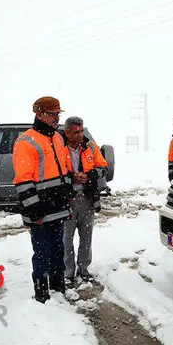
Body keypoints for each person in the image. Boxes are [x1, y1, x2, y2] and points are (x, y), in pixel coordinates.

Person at [12, 96, 74, 303]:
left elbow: (62, 170)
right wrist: (33, 207)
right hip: (39, 208)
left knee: (59, 248)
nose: (57, 118)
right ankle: (42, 293)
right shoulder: (25, 141)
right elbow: (23, 179)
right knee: (41, 252)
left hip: (57, 206)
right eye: (52, 114)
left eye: (58, 114)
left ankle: (58, 287)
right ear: (39, 114)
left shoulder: (57, 138)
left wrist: (68, 192)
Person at [61, 116, 108, 287]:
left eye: (81, 131)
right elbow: (54, 172)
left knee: (86, 237)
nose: (80, 135)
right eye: (76, 132)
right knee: (66, 238)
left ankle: (84, 269)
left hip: (87, 198)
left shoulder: (90, 146)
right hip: (67, 200)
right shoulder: (58, 148)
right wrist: (72, 176)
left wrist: (90, 176)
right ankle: (67, 272)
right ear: (67, 132)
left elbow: (103, 166)